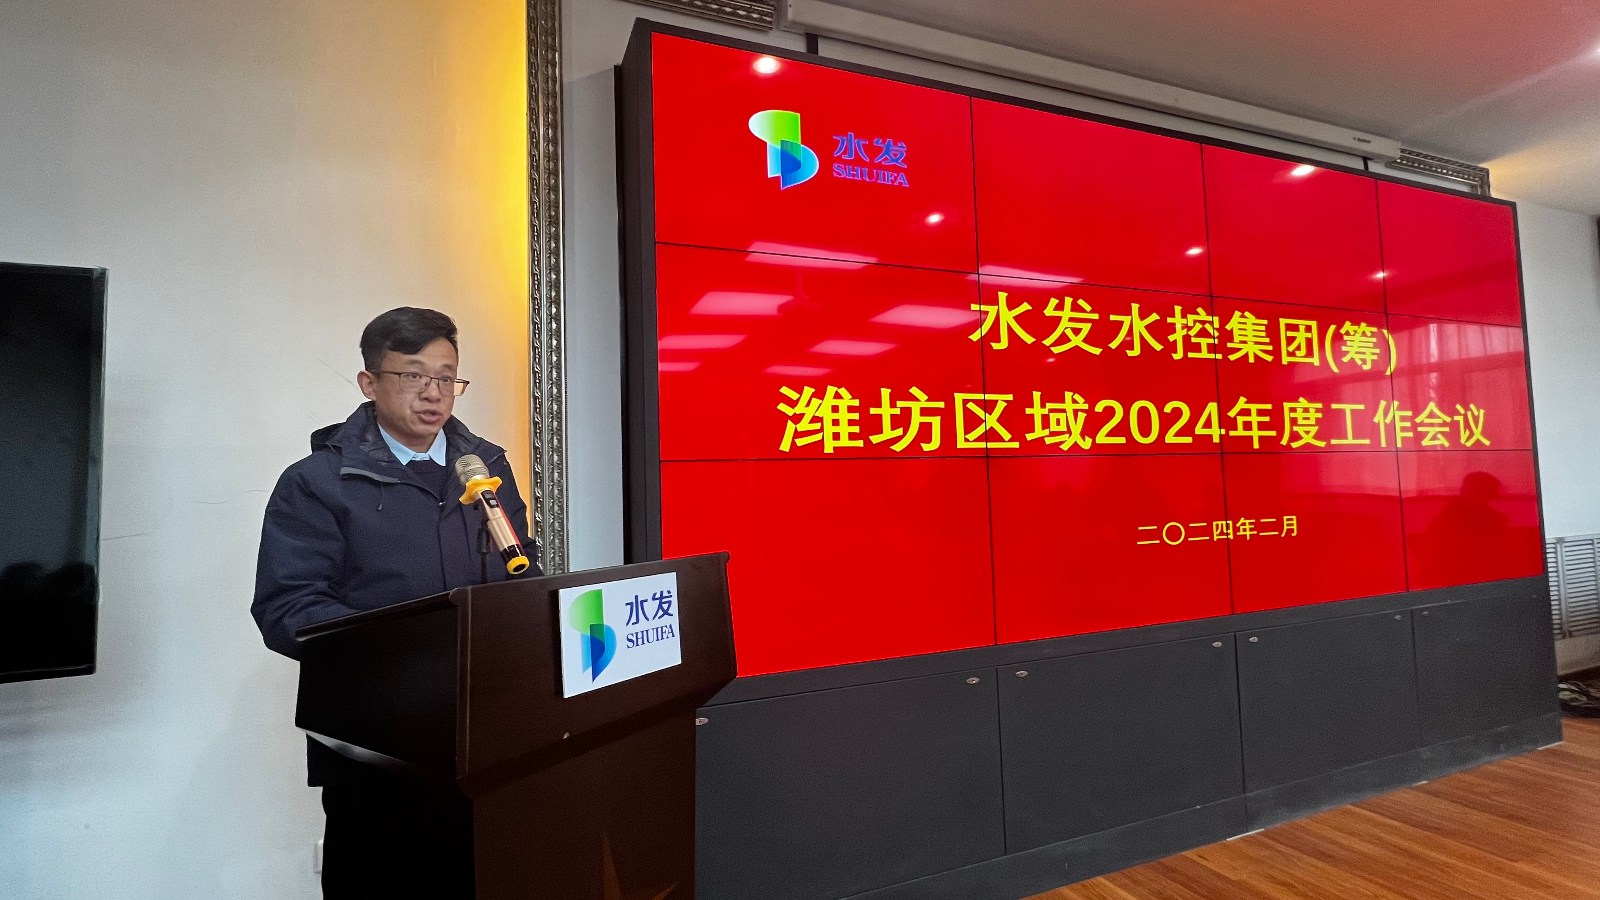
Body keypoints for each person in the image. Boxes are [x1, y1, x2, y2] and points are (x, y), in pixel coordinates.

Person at [252, 307, 539, 898]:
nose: (434, 394)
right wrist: (409, 652)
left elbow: (520, 566)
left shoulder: (486, 468)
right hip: (376, 745)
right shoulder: (317, 482)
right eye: (414, 375)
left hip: (489, 732)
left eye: (447, 377)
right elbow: (288, 608)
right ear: (369, 382)